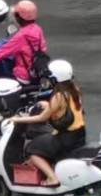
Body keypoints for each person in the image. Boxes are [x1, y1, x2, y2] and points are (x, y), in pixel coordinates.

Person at [5, 59, 85, 187]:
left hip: (66, 138)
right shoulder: (74, 89)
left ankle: (52, 178)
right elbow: (64, 109)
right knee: (45, 139)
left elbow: (42, 118)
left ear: (55, 78)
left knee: (32, 149)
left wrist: (17, 119)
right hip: (79, 133)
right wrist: (46, 105)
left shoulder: (58, 95)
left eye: (50, 77)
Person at [0, 0, 47, 85]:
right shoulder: (37, 29)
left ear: (19, 17)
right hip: (36, 72)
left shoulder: (21, 36)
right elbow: (42, 48)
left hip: (23, 77)